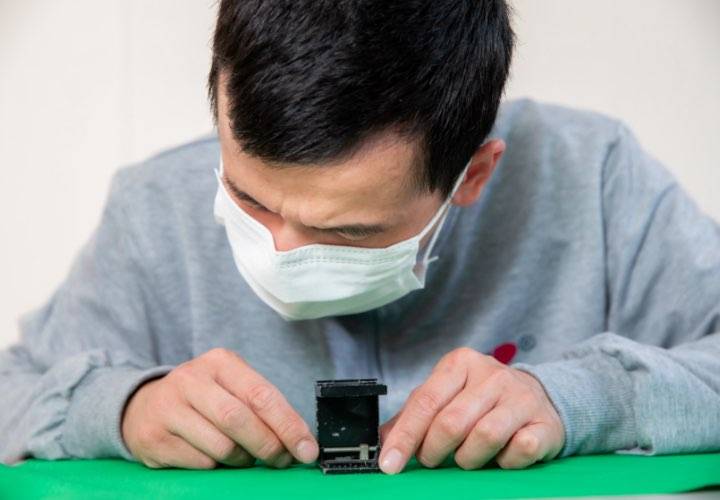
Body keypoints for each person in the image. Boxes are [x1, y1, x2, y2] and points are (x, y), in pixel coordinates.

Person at [1, 0, 719, 475]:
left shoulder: (594, 177)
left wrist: (585, 396)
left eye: (345, 229)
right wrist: (123, 408)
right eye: (247, 198)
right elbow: (12, 395)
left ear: (472, 175)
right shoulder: (153, 208)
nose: (279, 254)